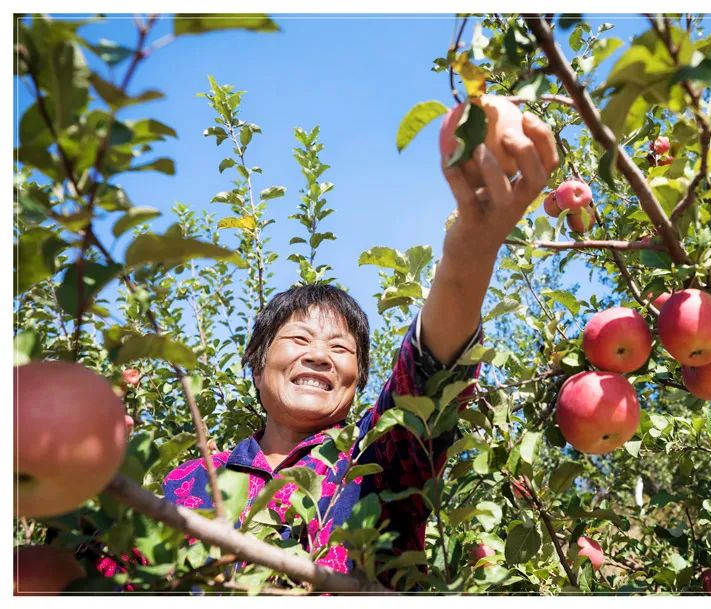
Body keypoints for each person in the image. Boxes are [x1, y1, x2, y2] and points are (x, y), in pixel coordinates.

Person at [161, 109, 558, 585]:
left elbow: (432, 372)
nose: (318, 355)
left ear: (360, 380)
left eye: (340, 347)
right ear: (256, 363)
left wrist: (473, 243)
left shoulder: (378, 458)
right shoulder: (186, 485)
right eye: (299, 339)